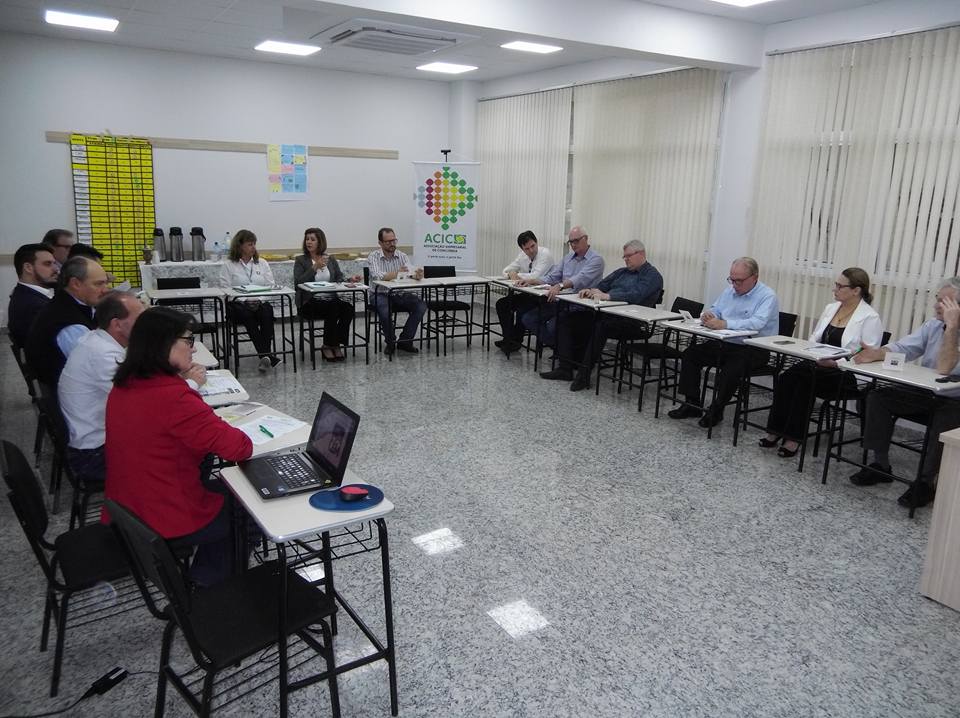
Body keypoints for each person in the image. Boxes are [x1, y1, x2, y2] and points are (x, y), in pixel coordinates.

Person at [104, 307, 253, 587]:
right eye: (188, 341)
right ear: (162, 344)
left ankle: (214, 571)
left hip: (129, 509)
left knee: (227, 484)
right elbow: (239, 448)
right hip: (164, 514)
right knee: (253, 508)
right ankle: (211, 587)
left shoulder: (127, 383)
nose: (193, 350)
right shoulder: (173, 397)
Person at [847, 278, 960, 510]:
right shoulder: (932, 325)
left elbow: (946, 367)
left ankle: (926, 483)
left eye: (945, 302)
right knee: (876, 397)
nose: (937, 306)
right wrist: (875, 353)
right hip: (926, 392)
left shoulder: (947, 329)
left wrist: (952, 328)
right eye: (937, 300)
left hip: (954, 400)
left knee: (944, 420)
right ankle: (880, 465)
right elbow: (905, 348)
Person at [761, 268, 883, 457]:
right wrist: (813, 353)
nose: (835, 289)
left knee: (803, 381)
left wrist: (836, 363)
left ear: (856, 290)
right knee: (787, 377)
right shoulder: (831, 308)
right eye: (836, 285)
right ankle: (775, 431)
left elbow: (866, 354)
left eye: (840, 286)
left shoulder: (869, 317)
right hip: (819, 365)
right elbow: (814, 339)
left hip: (845, 373)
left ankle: (793, 438)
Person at [668, 257, 779, 429]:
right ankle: (691, 403)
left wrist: (725, 324)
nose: (735, 284)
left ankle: (717, 410)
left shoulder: (767, 296)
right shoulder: (730, 291)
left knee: (731, 369)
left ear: (754, 277)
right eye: (732, 279)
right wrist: (709, 315)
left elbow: (757, 323)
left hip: (754, 348)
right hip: (726, 342)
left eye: (739, 281)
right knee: (691, 354)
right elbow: (716, 309)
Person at [541, 240, 663, 390]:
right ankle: (565, 368)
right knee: (566, 319)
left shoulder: (652, 276)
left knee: (601, 326)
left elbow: (636, 295)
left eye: (629, 256)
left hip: (631, 322)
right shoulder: (621, 272)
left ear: (641, 254)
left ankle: (583, 376)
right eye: (624, 257)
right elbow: (602, 285)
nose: (626, 259)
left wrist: (609, 296)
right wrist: (590, 290)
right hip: (606, 314)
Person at [57, 291, 147, 485]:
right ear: (116, 324)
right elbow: (144, 403)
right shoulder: (102, 354)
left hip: (98, 441)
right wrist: (188, 382)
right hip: (95, 455)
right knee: (187, 447)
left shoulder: (97, 339)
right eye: (140, 318)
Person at [25, 256, 109, 388]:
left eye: (106, 283)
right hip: (75, 396)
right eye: (99, 284)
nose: (106, 290)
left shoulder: (65, 304)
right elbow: (98, 369)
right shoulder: (70, 325)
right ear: (75, 284)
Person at [519, 226, 604, 349]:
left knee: (553, 326)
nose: (573, 245)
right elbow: (553, 277)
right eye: (571, 242)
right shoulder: (568, 258)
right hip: (562, 303)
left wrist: (560, 285)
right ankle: (561, 348)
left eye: (576, 241)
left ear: (586, 239)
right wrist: (531, 281)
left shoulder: (596, 260)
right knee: (528, 319)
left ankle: (566, 351)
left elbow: (580, 278)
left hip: (582, 307)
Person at [294, 227, 360, 362]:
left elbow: (338, 278)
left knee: (348, 308)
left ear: (320, 242)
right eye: (307, 239)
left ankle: (334, 344)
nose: (309, 242)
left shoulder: (330, 259)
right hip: (310, 302)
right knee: (333, 308)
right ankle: (327, 346)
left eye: (313, 239)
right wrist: (314, 267)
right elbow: (298, 282)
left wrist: (350, 280)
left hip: (330, 299)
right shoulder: (301, 260)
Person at [219, 229, 280, 371]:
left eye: (254, 244)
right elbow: (225, 289)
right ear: (239, 246)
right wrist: (245, 300)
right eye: (250, 244)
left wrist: (259, 299)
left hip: (260, 301)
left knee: (267, 312)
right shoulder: (229, 265)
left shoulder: (262, 263)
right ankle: (266, 355)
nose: (253, 247)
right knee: (247, 316)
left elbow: (270, 285)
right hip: (239, 304)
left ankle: (264, 356)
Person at [367, 227, 427, 356]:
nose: (392, 244)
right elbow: (378, 276)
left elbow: (409, 274)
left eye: (394, 240)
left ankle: (405, 340)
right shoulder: (373, 256)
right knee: (384, 310)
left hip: (398, 293)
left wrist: (417, 275)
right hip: (379, 293)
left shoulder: (402, 255)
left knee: (421, 305)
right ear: (380, 243)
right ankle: (390, 342)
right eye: (388, 241)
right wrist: (399, 273)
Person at [495, 230, 554, 355]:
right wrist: (510, 274)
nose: (531, 250)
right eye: (527, 249)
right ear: (522, 249)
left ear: (537, 242)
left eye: (533, 246)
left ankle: (514, 341)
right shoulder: (522, 256)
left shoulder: (545, 254)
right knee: (502, 304)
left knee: (523, 309)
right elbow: (506, 270)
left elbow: (536, 276)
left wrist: (516, 275)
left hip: (542, 295)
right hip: (528, 293)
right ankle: (509, 338)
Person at [7, 243, 58, 347]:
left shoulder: (23, 294)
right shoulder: (34, 305)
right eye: (48, 264)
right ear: (28, 268)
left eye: (54, 263)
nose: (56, 269)